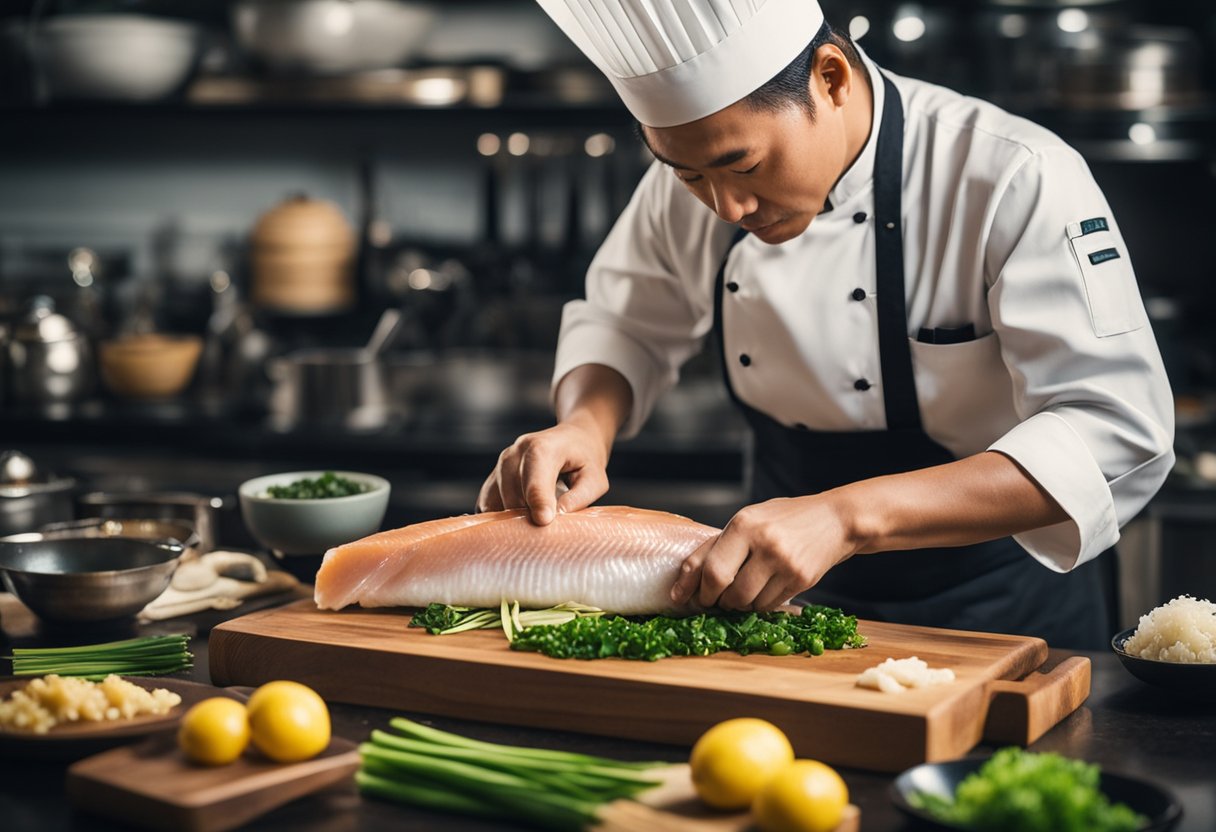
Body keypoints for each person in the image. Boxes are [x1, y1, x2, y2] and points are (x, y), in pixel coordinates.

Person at [478, 0, 1175, 650]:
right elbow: (626, 319)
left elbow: (1114, 429)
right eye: (688, 176)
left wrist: (844, 517)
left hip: (996, 606)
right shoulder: (693, 179)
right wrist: (584, 426)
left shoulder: (1013, 175)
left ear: (832, 78)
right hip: (774, 591)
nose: (725, 206)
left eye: (740, 164)